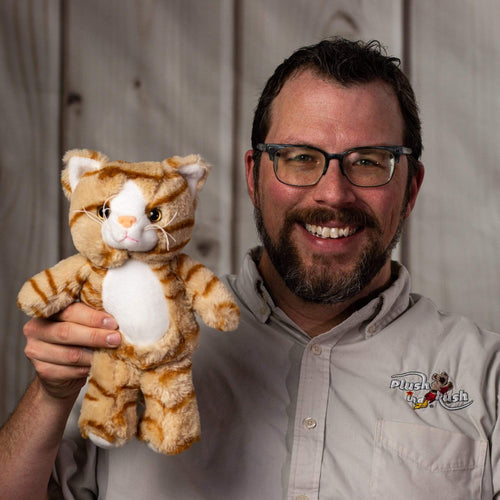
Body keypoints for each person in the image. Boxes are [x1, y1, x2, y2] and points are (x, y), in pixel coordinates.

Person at [1, 37, 499, 499]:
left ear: (410, 189)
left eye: (369, 161)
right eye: (301, 158)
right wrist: (51, 394)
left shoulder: (483, 376)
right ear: (254, 177)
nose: (333, 192)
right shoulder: (134, 336)